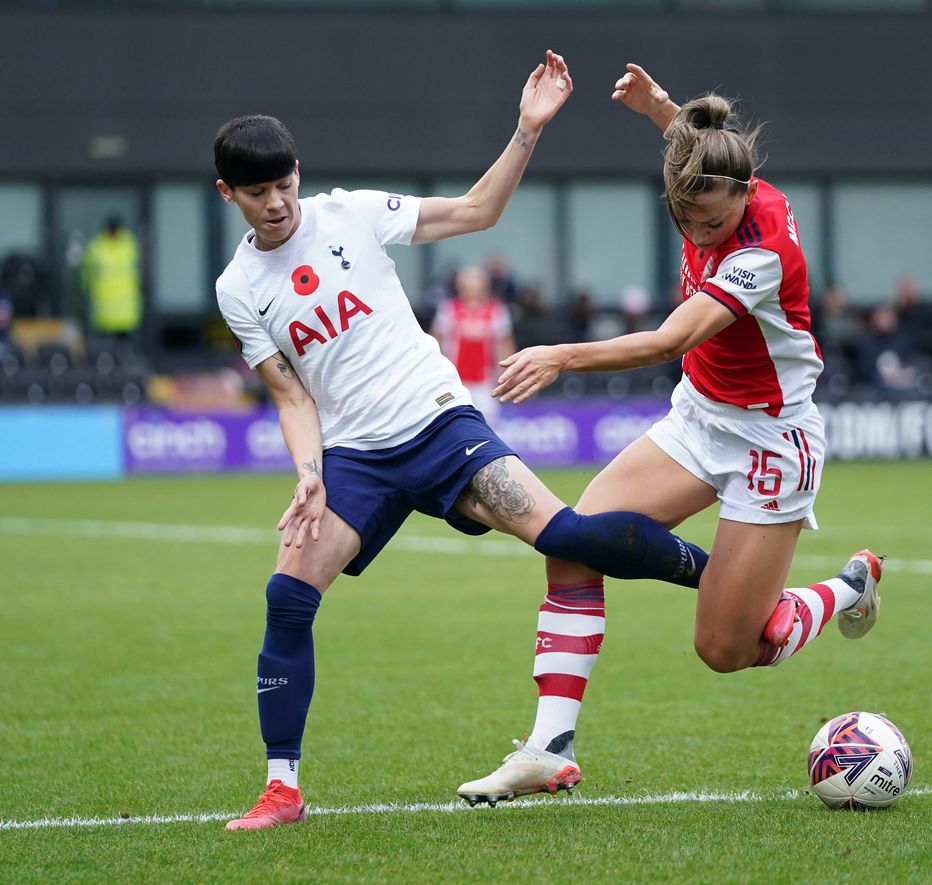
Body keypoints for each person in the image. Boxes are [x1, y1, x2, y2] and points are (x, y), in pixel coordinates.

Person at [213, 52, 716, 831]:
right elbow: (289, 391)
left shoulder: (349, 213)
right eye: (258, 193)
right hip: (357, 462)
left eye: (285, 186)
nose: (277, 204)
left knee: (569, 534)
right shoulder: (237, 287)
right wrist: (309, 473)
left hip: (443, 425)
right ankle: (282, 788)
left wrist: (526, 130)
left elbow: (478, 210)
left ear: (298, 174)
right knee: (287, 596)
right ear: (229, 195)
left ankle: (742, 593)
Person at [456, 63, 883, 807]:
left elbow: (669, 338)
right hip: (699, 420)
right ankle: (548, 746)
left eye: (712, 222)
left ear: (747, 196)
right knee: (573, 538)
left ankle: (847, 587)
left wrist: (563, 354)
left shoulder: (761, 249)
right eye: (685, 220)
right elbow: (695, 151)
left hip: (771, 444)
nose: (699, 232)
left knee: (726, 649)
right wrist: (661, 110)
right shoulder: (707, 178)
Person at [431, 265, 514, 424]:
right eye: (467, 284)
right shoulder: (448, 309)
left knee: (487, 425)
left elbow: (504, 344)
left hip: (485, 381)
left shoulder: (496, 310)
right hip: (455, 380)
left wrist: (503, 375)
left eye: (476, 283)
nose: (472, 288)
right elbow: (436, 341)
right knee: (454, 424)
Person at [81, 216, 142, 346]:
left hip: (126, 311)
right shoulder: (97, 246)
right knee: (105, 349)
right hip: (104, 310)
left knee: (122, 345)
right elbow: (86, 274)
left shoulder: (129, 245)